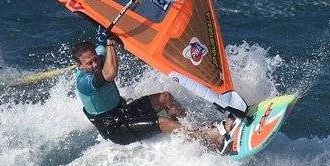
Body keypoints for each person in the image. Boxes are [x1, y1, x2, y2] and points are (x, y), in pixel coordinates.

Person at [73, 33, 238, 150]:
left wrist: (106, 36)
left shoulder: (98, 57)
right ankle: (209, 139)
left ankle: (191, 128)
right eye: (89, 63)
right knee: (162, 122)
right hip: (115, 128)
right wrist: (110, 43)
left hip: (123, 111)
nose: (95, 64)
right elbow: (110, 74)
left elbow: (102, 49)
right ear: (80, 66)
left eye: (95, 60)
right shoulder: (84, 83)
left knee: (165, 97)